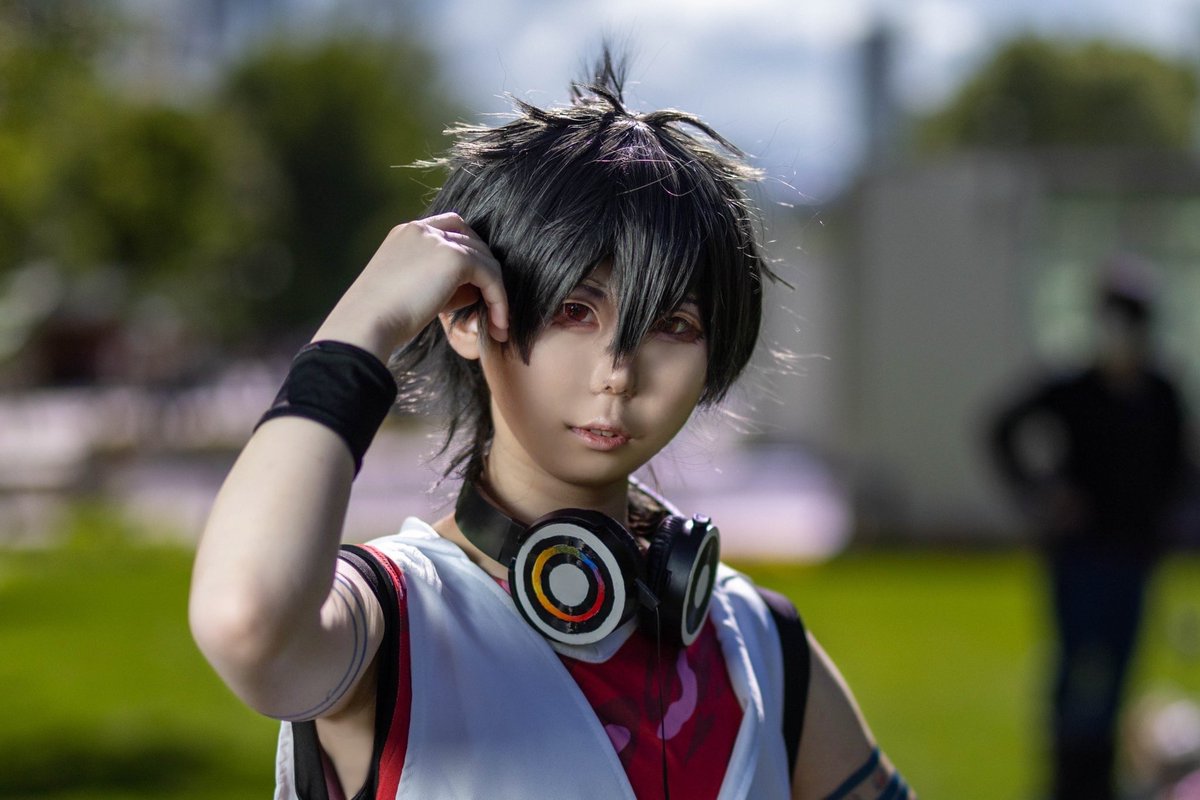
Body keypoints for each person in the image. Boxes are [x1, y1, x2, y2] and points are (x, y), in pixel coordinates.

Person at [190, 50, 913, 800]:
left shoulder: (759, 644)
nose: (618, 372)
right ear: (467, 316)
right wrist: (361, 325)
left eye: (673, 324)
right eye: (575, 311)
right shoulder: (394, 621)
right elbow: (247, 623)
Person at [989, 257, 1190, 800]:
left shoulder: (1162, 393)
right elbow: (1001, 427)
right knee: (1077, 665)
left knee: (1119, 666)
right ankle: (1067, 778)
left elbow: (1179, 468)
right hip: (1080, 554)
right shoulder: (1075, 389)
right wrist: (1042, 495)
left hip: (1134, 553)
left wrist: (1168, 520)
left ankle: (1101, 779)